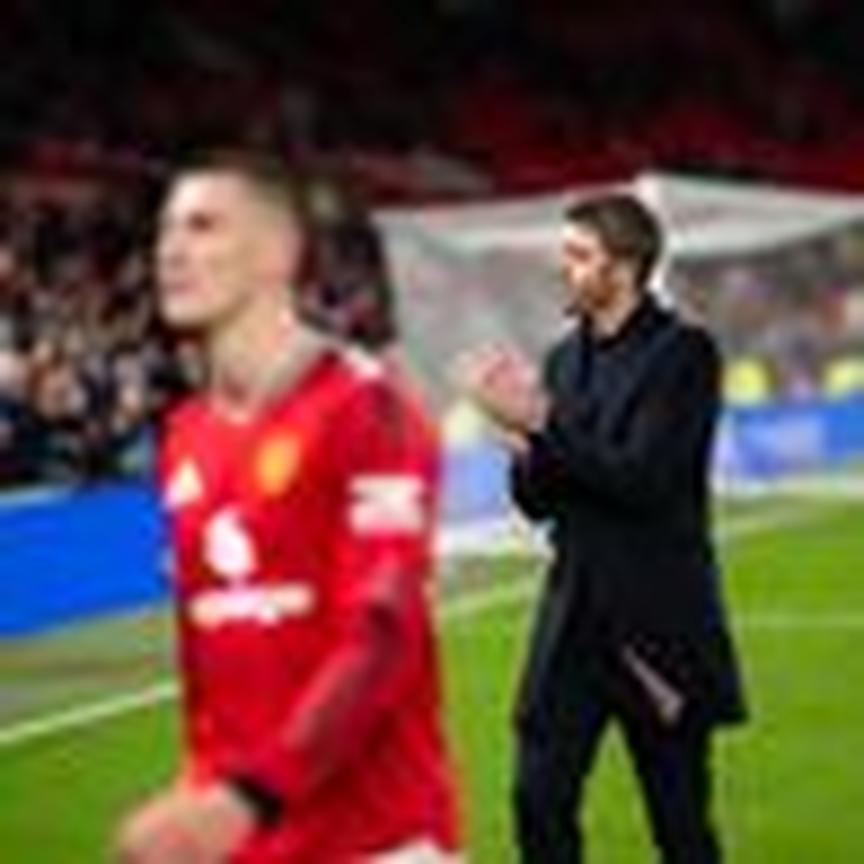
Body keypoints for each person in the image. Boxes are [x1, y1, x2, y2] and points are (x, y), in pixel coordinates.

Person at [115, 153, 461, 864]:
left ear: (279, 251)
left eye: (203, 226)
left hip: (378, 843)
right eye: (166, 230)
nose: (171, 250)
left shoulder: (366, 407)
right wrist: (200, 793)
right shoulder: (185, 436)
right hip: (250, 838)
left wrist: (250, 795)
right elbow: (213, 665)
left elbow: (382, 633)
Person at [457, 193, 746, 863]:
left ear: (625, 266)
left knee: (679, 822)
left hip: (656, 625)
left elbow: (644, 482)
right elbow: (540, 503)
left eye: (579, 255)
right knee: (537, 798)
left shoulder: (684, 354)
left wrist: (542, 426)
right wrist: (523, 448)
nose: (564, 268)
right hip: (573, 620)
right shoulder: (563, 359)